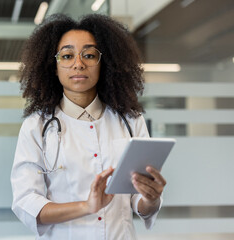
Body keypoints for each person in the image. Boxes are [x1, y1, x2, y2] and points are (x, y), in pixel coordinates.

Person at [11, 14, 167, 240]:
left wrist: (151, 199)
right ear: (54, 67)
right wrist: (86, 206)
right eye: (67, 55)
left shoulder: (131, 121)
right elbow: (27, 203)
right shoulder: (36, 127)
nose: (78, 63)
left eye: (90, 55)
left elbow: (138, 203)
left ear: (104, 64)